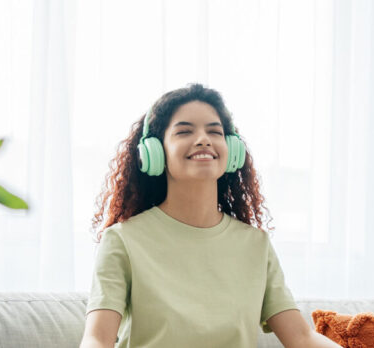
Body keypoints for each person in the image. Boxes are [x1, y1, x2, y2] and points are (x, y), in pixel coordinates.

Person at [80, 84, 340, 348]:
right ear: (154, 151)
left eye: (214, 131)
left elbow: (301, 337)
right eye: (184, 131)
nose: (203, 139)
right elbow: (97, 340)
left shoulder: (256, 245)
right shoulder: (123, 240)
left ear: (232, 150)